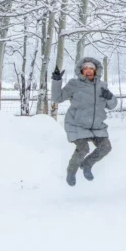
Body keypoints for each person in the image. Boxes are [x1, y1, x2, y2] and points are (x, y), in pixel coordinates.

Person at [51, 58, 118, 186]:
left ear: (96, 71)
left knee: (106, 147)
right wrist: (56, 81)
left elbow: (112, 105)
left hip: (96, 126)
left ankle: (87, 164)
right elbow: (57, 98)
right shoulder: (74, 84)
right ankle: (71, 171)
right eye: (85, 68)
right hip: (77, 124)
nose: (88, 71)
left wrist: (110, 97)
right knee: (83, 149)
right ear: (81, 71)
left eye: (91, 68)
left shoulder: (102, 86)